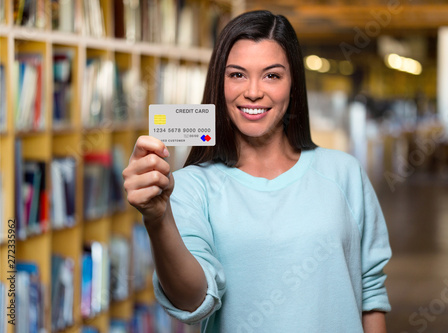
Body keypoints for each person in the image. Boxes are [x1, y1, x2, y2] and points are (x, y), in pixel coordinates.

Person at [123, 10, 391, 333]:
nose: (252, 91)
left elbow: (371, 295)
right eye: (237, 75)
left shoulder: (344, 174)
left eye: (271, 76)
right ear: (219, 84)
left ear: (293, 84)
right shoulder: (189, 186)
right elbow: (193, 301)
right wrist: (157, 218)